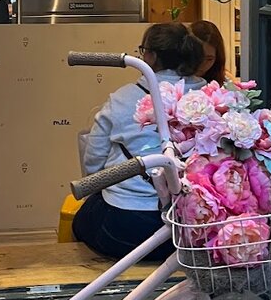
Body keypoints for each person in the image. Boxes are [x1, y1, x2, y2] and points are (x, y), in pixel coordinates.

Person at [73, 22, 205, 261]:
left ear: (151, 56)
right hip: (193, 229)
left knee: (81, 219)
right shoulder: (211, 98)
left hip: (125, 227)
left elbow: (93, 164)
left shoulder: (122, 99)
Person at [190, 20, 228, 84]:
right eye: (196, 57)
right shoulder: (173, 81)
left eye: (209, 59)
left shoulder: (225, 82)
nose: (201, 64)